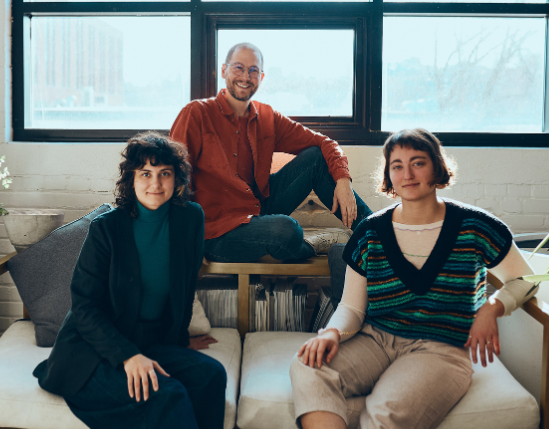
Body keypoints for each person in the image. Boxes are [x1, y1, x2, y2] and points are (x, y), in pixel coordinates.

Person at [290, 128, 539, 429]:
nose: (407, 174)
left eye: (418, 163)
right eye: (397, 166)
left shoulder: (475, 226)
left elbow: (527, 279)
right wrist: (332, 332)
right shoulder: (370, 232)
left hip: (441, 349)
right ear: (389, 175)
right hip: (376, 340)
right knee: (308, 366)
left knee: (384, 413)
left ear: (437, 167)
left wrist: (492, 308)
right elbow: (352, 308)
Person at [33, 132, 227, 429]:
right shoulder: (106, 228)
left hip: (150, 342)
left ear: (177, 179)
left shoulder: (190, 219)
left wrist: (179, 343)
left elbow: (185, 289)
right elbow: (85, 308)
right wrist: (128, 356)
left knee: (210, 375)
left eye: (165, 173)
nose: (156, 183)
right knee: (167, 395)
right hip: (92, 352)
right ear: (131, 179)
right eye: (145, 173)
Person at [170, 42, 372, 262]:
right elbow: (175, 179)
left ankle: (377, 235)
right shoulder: (196, 113)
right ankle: (310, 245)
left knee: (315, 158)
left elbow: (324, 142)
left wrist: (343, 180)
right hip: (217, 230)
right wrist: (185, 243)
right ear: (223, 70)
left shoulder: (266, 117)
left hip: (256, 209)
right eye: (238, 68)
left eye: (253, 70)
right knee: (286, 230)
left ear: (261, 77)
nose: (245, 76)